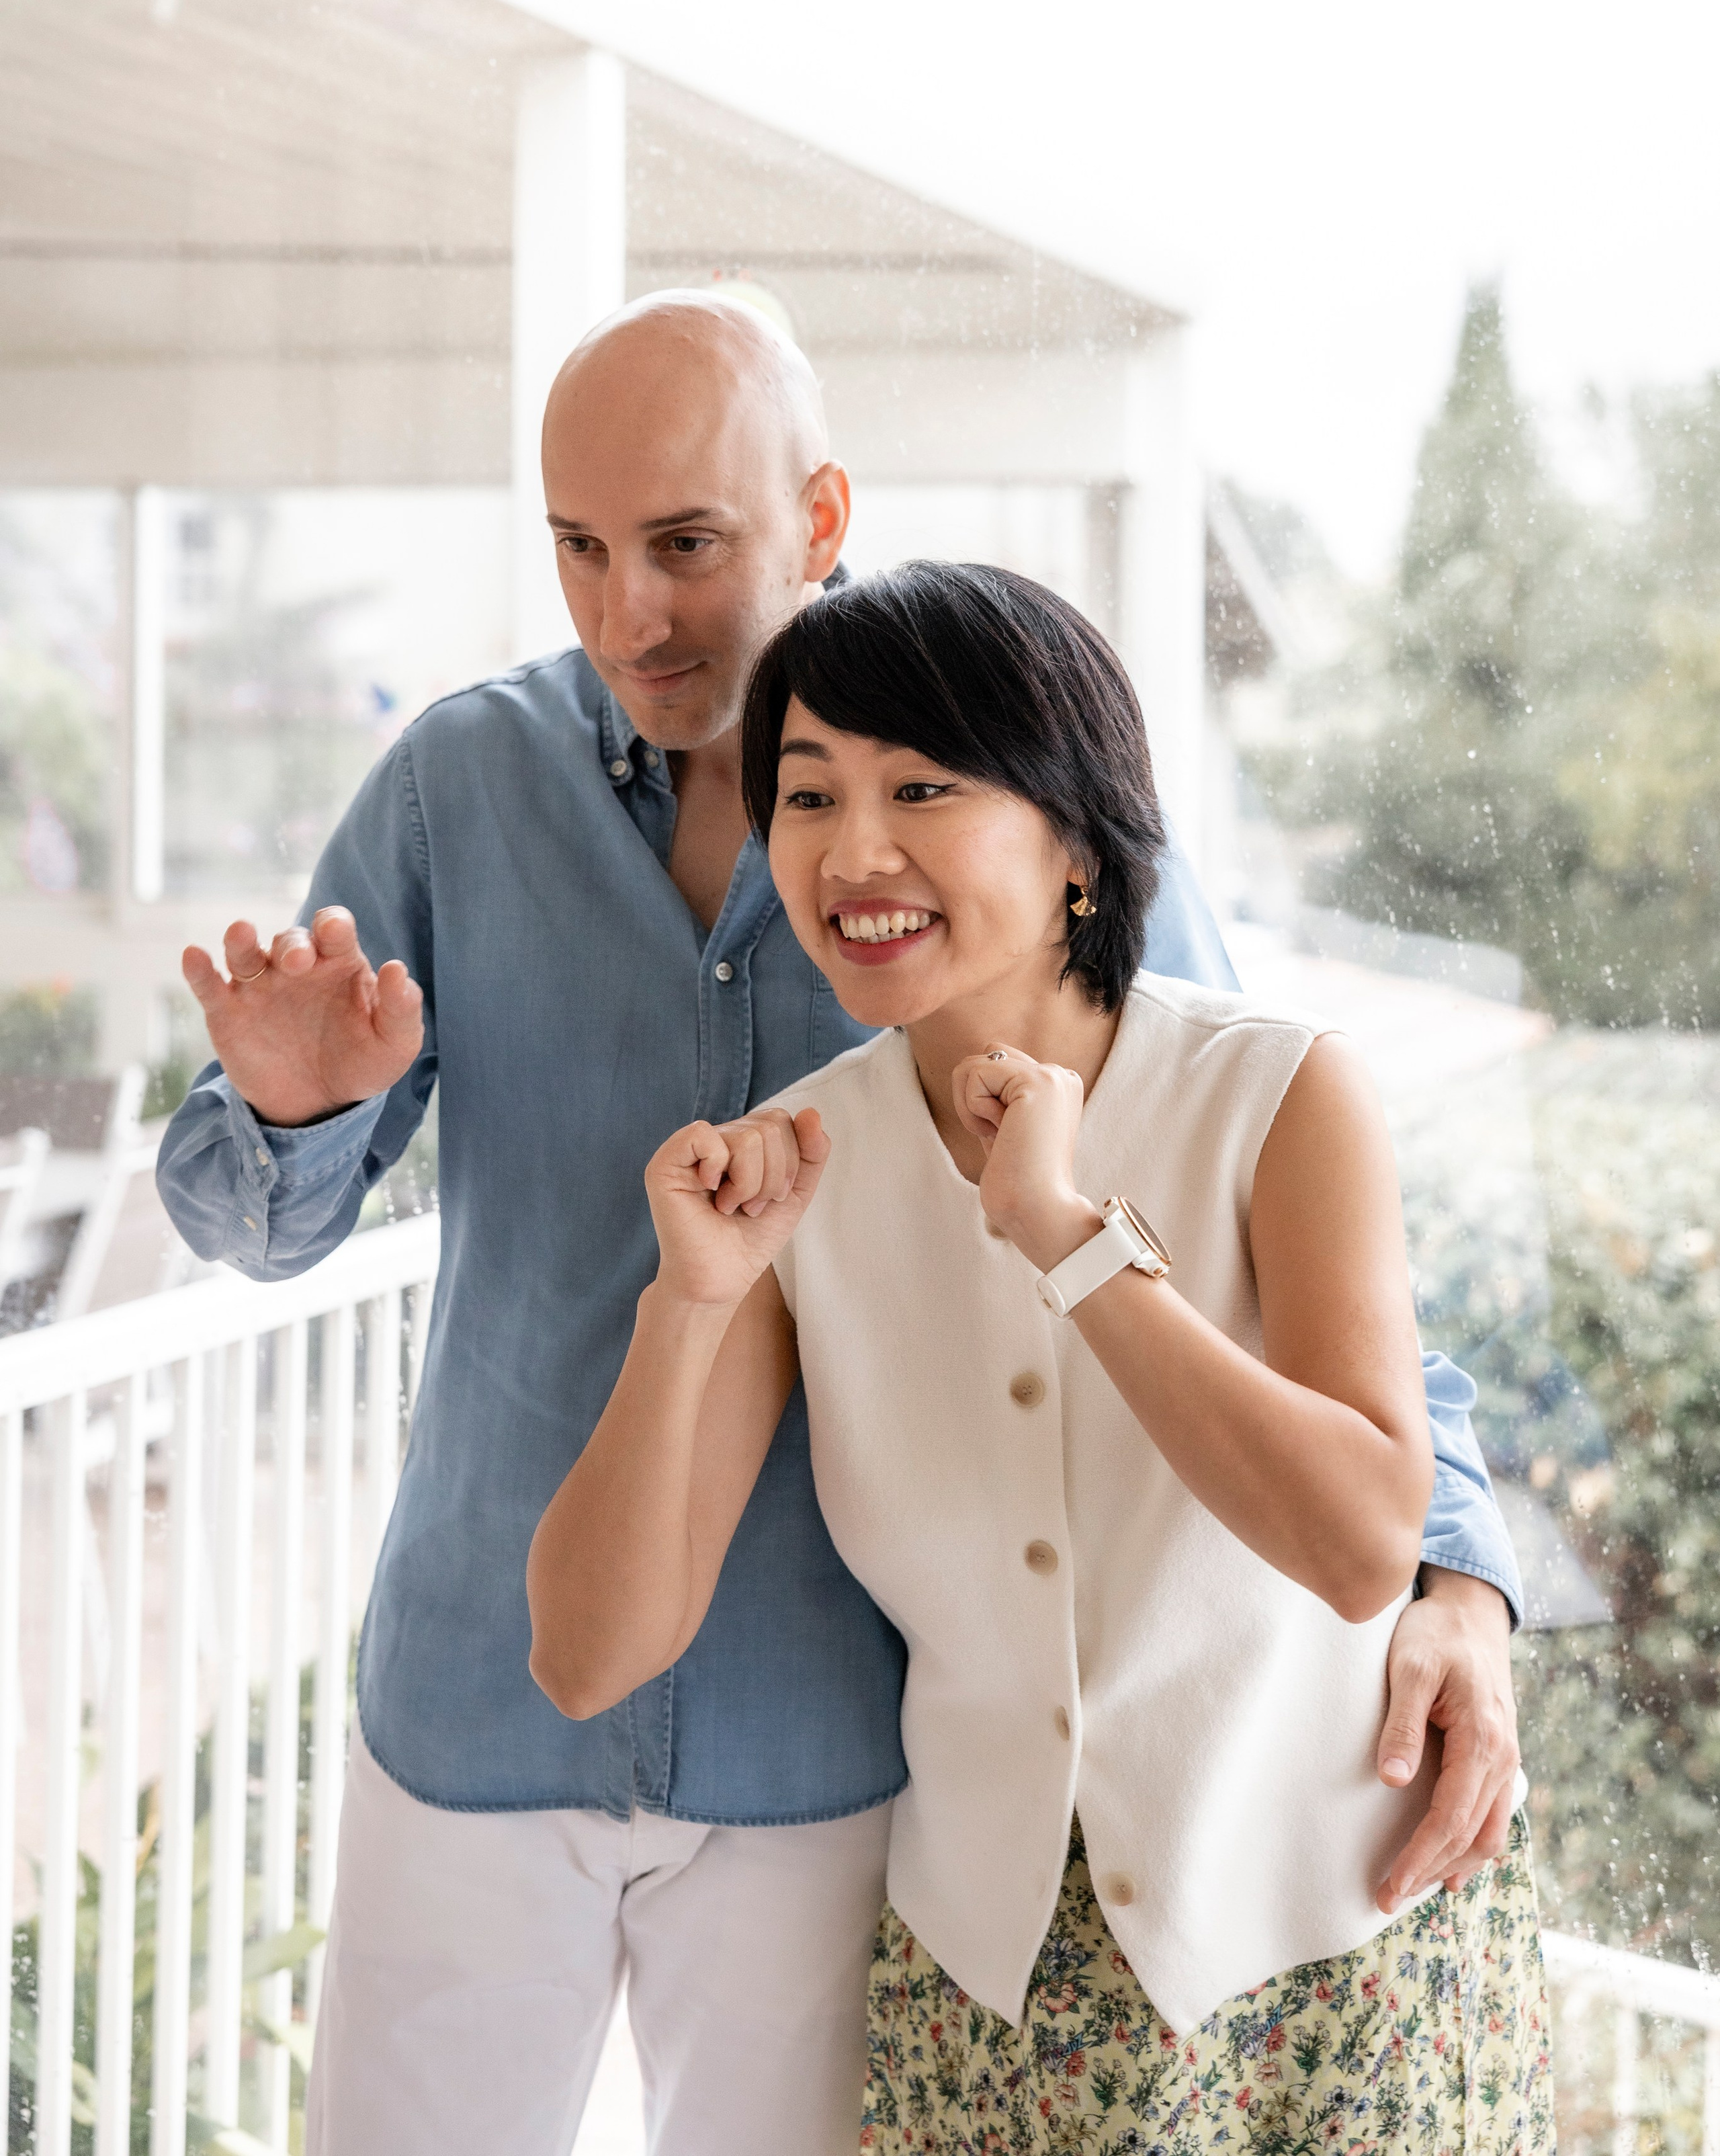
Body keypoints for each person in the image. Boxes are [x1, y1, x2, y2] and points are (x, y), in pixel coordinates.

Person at [157, 294, 1523, 2156]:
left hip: (843, 1742)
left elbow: (1252, 1172)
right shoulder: (456, 788)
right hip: (488, 1680)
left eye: (685, 545)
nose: (629, 613)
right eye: (578, 549)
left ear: (817, 517)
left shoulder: (1018, 762)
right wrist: (299, 1114)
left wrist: (1458, 1578)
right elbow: (261, 1223)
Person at [529, 559, 1551, 2156]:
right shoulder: (796, 1170)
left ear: (1076, 840)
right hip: (995, 2001)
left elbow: (1361, 1546)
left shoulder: (1278, 1096)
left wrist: (1069, 1238)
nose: (850, 852)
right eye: (808, 794)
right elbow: (589, 1656)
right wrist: (688, 1307)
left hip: (1332, 1957)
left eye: (921, 788)